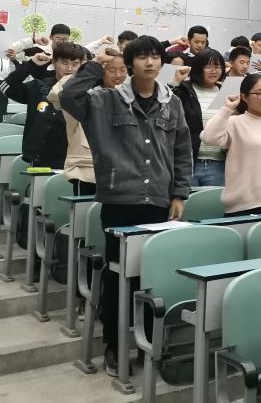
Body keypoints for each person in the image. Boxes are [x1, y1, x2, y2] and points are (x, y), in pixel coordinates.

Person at [59, 37, 191, 377]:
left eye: (155, 57)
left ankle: (148, 343)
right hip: (120, 201)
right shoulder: (105, 100)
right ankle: (115, 345)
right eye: (142, 57)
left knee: (152, 277)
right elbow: (69, 96)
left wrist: (179, 193)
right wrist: (96, 63)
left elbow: (181, 149)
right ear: (130, 63)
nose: (150, 62)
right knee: (119, 277)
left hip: (158, 202)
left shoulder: (171, 103)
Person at [200, 73, 261, 216]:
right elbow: (209, 137)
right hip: (242, 203)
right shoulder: (234, 122)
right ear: (244, 97)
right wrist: (227, 109)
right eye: (258, 93)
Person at [49, 47, 128, 195]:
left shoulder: (129, 96)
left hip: (121, 172)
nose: (118, 75)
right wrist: (95, 63)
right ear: (100, 72)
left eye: (123, 70)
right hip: (86, 170)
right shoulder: (83, 97)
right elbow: (59, 94)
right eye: (111, 70)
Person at [1, 42, 86, 167]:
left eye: (75, 64)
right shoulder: (39, 87)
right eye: (64, 63)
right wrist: (30, 64)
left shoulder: (88, 91)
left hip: (77, 161)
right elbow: (6, 87)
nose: (69, 68)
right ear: (54, 62)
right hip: (41, 160)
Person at [172, 49, 226, 185]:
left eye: (218, 66)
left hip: (218, 163)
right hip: (188, 162)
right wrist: (175, 83)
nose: (214, 71)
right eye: (208, 67)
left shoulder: (225, 92)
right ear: (198, 67)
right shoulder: (184, 90)